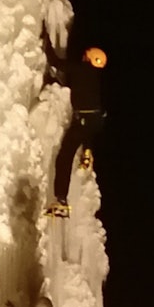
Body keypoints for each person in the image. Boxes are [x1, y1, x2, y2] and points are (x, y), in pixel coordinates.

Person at [48, 46, 107, 217]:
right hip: (94, 120)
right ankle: (87, 152)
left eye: (85, 56)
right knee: (86, 134)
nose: (83, 57)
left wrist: (46, 40)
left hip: (83, 120)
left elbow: (56, 63)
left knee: (65, 156)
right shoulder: (94, 76)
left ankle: (61, 201)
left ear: (89, 59)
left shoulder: (82, 69)